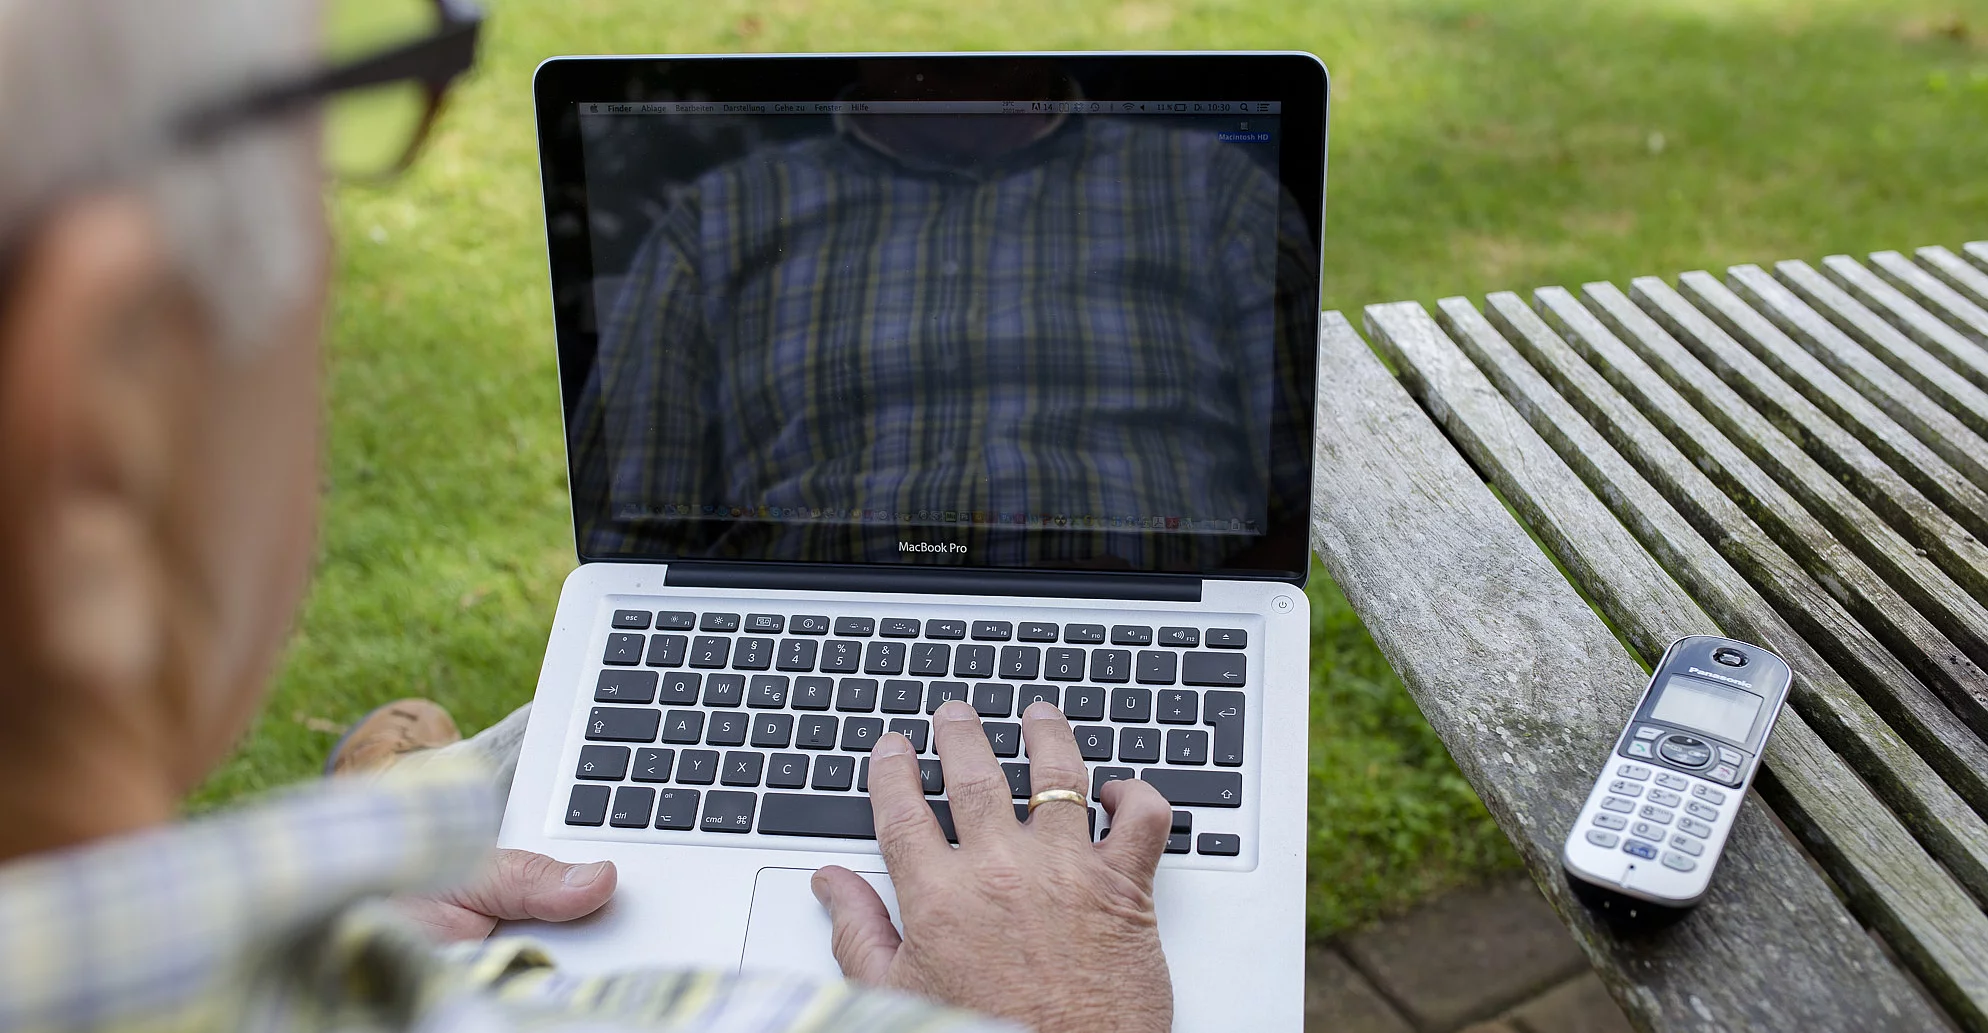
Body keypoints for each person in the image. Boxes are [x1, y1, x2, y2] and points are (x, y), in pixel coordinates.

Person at [0, 1, 1176, 1031]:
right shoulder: (733, 215)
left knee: (535, 745)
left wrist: (343, 936)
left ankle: (408, 794)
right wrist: (1059, 1009)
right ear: (102, 443)